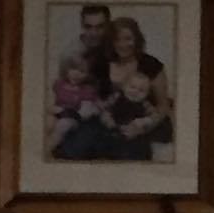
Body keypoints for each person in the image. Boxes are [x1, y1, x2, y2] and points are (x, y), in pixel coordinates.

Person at [58, 16, 173, 161]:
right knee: (77, 144)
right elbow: (90, 94)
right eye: (117, 39)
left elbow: (163, 106)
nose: (122, 44)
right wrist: (103, 113)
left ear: (137, 39)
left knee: (130, 152)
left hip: (141, 118)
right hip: (109, 116)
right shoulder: (101, 62)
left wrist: (143, 127)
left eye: (128, 39)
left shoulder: (151, 64)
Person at [46, 53, 99, 155]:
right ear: (67, 69)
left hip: (72, 118)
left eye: (82, 71)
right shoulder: (59, 84)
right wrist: (53, 109)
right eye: (73, 69)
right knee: (48, 122)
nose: (76, 74)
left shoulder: (86, 90)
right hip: (56, 113)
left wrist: (65, 111)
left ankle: (47, 149)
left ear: (88, 75)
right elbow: (50, 101)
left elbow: (84, 113)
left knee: (63, 125)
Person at [98, 72, 157, 161]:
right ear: (124, 87)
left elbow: (154, 116)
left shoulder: (145, 104)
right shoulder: (117, 96)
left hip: (134, 133)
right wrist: (107, 117)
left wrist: (143, 121)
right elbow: (104, 107)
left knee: (138, 149)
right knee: (103, 142)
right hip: (114, 128)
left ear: (147, 94)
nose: (135, 92)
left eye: (141, 90)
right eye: (132, 87)